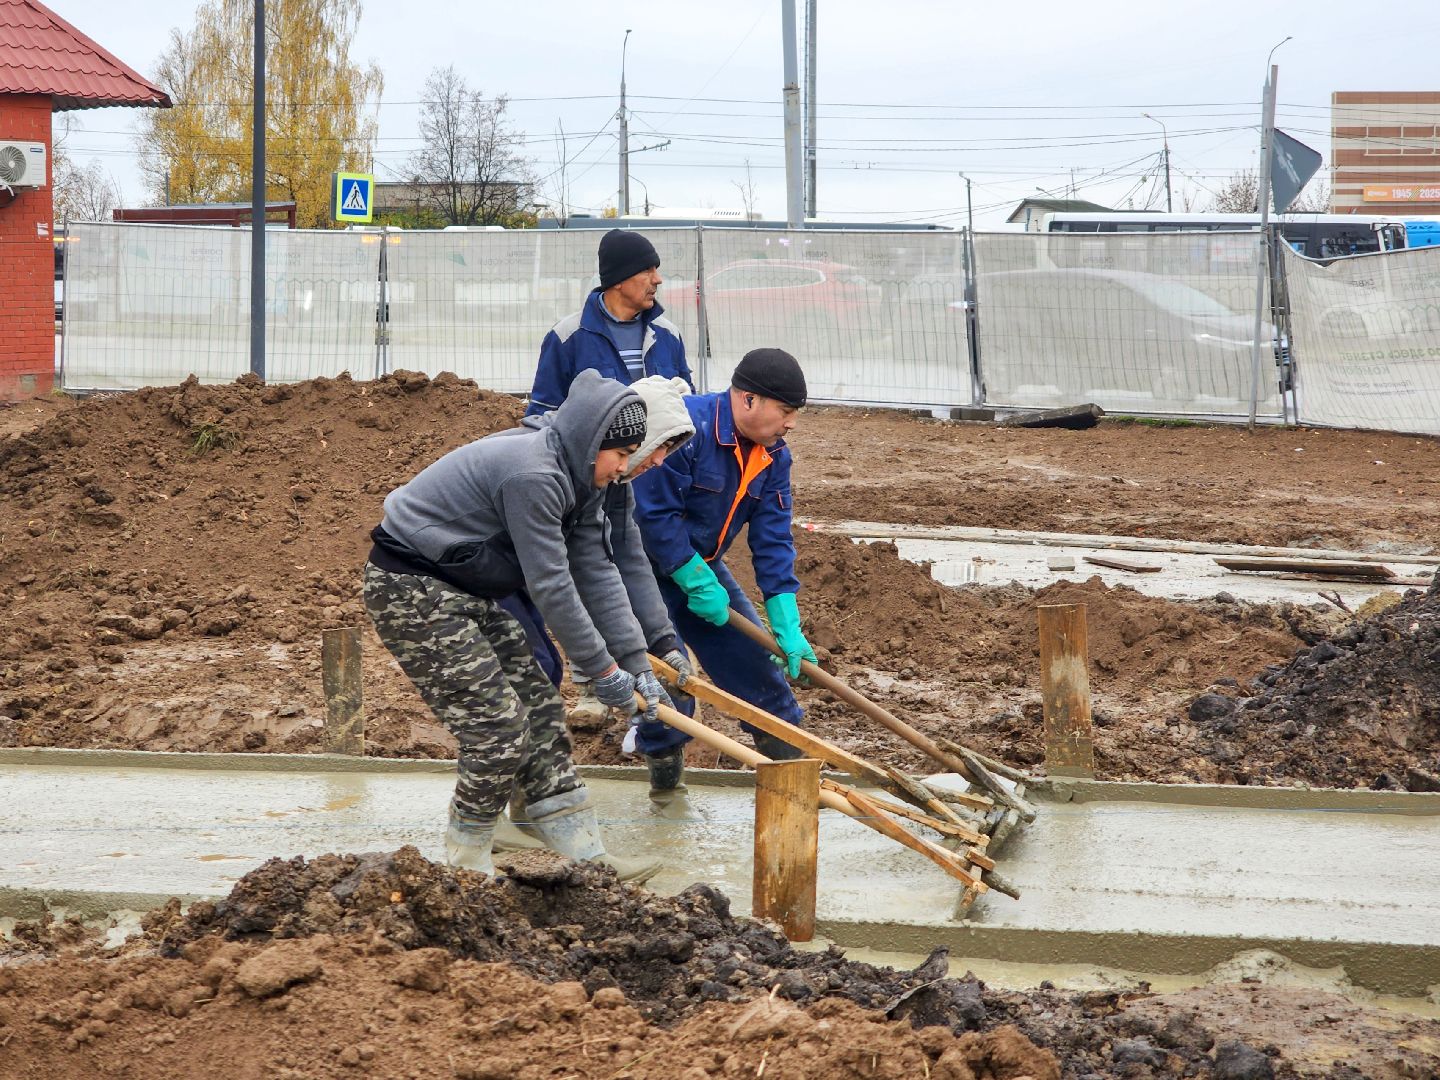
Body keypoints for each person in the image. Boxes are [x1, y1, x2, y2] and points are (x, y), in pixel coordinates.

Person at [362, 369, 680, 882]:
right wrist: (602, 671)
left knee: (541, 709)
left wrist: (635, 662)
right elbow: (552, 584)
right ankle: (467, 859)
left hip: (468, 586)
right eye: (621, 454)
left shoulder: (585, 479)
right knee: (497, 727)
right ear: (593, 442)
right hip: (412, 587)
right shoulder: (533, 474)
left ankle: (584, 850)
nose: (626, 467)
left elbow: (597, 570)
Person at [631, 348, 818, 802]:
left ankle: (792, 793)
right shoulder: (683, 428)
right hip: (639, 572)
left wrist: (785, 617)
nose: (791, 423)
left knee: (759, 673)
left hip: (704, 570)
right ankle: (665, 795)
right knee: (669, 684)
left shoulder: (774, 456)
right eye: (785, 411)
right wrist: (692, 578)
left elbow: (773, 539)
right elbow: (652, 514)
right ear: (749, 399)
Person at [526, 227, 694, 723]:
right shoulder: (569, 336)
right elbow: (542, 413)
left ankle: (655, 659)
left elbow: (683, 400)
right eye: (648, 271)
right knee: (589, 566)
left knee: (638, 566)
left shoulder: (667, 336)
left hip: (652, 478)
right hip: (593, 478)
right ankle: (591, 684)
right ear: (620, 278)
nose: (657, 280)